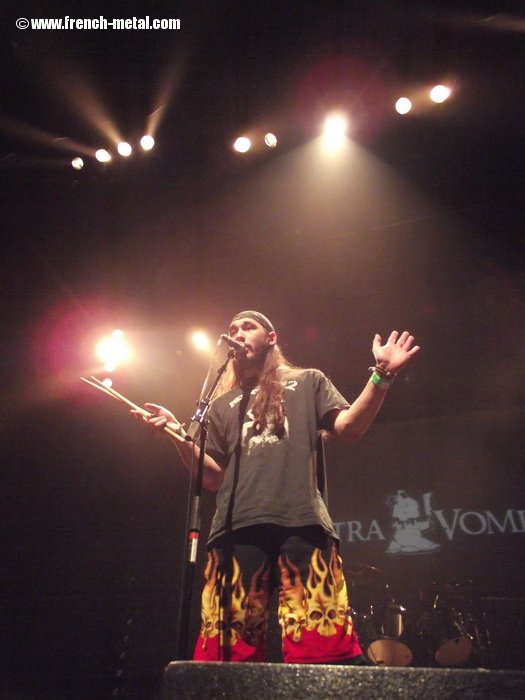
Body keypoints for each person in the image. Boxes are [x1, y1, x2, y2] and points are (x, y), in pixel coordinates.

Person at [134, 310, 420, 664]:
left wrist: (382, 374)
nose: (238, 333)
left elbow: (349, 428)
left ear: (271, 338)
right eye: (233, 328)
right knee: (226, 653)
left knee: (320, 645)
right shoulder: (221, 404)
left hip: (302, 522)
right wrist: (177, 434)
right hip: (235, 529)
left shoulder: (308, 381)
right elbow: (211, 477)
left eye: (248, 326)